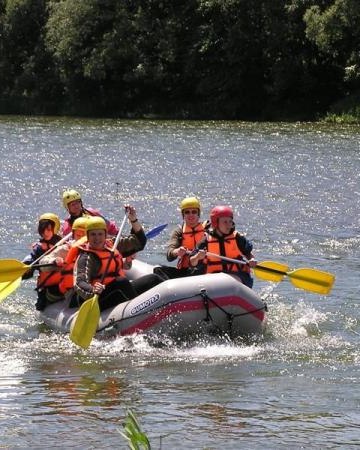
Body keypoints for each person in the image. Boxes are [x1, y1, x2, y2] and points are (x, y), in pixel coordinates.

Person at [74, 213, 163, 311]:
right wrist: (93, 289)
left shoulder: (112, 244)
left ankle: (165, 308)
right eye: (93, 234)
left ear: (105, 234)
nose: (97, 238)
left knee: (154, 279)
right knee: (122, 282)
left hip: (119, 289)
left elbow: (139, 241)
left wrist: (133, 220)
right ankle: (141, 311)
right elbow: (80, 282)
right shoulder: (86, 257)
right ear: (88, 236)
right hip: (99, 296)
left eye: (100, 234)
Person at [189, 205, 257, 288]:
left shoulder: (237, 237)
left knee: (227, 283)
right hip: (213, 277)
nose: (228, 225)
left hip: (238, 276)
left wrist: (251, 259)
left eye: (230, 221)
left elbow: (248, 253)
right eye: (225, 222)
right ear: (215, 223)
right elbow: (192, 262)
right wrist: (197, 257)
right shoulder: (206, 240)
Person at [154, 197, 208, 279]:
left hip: (204, 270)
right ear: (183, 215)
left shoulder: (207, 230)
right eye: (187, 212)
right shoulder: (179, 232)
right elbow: (170, 254)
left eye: (194, 212)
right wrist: (177, 251)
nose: (191, 215)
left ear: (198, 214)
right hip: (186, 271)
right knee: (158, 270)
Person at [22, 213, 64, 310]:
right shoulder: (38, 247)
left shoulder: (63, 244)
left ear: (55, 229)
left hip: (63, 284)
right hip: (47, 287)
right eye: (43, 230)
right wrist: (27, 266)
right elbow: (31, 259)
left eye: (48, 230)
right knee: (40, 306)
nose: (45, 233)